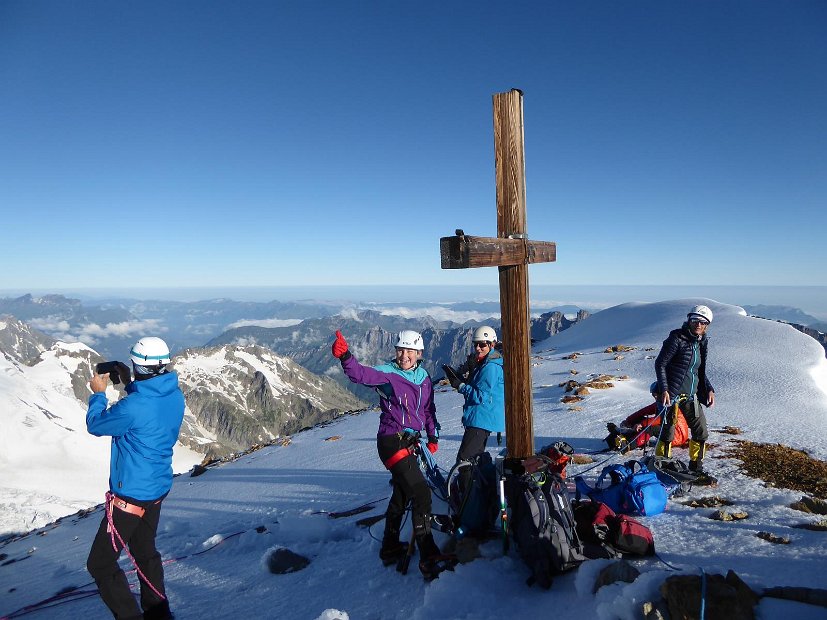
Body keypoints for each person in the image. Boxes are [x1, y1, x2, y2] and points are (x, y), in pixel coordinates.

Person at [331, 329, 450, 580]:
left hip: (411, 442)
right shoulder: (388, 374)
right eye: (400, 349)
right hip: (392, 441)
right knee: (420, 492)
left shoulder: (424, 377)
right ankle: (428, 553)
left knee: (402, 494)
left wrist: (433, 436)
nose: (404, 355)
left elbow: (428, 409)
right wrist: (346, 357)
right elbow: (360, 374)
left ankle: (390, 546)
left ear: (419, 354)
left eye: (409, 351)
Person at [85, 337, 184, 620]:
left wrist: (98, 394)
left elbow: (97, 424)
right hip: (156, 489)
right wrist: (130, 383)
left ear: (136, 364)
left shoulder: (133, 406)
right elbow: (148, 406)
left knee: (101, 564)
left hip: (130, 495)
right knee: (145, 551)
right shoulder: (175, 394)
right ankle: (158, 613)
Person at [654, 305, 716, 479]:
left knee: (700, 431)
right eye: (695, 320)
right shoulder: (677, 338)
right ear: (689, 320)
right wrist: (664, 389)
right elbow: (661, 364)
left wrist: (709, 389)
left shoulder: (701, 341)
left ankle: (696, 467)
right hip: (671, 395)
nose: (698, 325)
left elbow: (697, 370)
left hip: (691, 395)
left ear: (707, 325)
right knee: (667, 432)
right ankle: (663, 465)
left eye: (703, 322)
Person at [442, 325, 505, 463]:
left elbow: (480, 396)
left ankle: (467, 485)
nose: (478, 348)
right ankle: (475, 484)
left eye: (482, 345)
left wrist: (461, 385)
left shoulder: (490, 367)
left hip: (481, 419)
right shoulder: (486, 364)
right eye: (476, 344)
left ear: (492, 345)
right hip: (482, 419)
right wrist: (464, 380)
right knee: (474, 459)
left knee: (465, 460)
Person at [605, 382, 690, 452]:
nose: (655, 397)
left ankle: (628, 445)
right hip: (669, 431)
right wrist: (628, 421)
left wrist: (641, 424)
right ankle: (624, 435)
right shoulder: (659, 403)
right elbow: (643, 412)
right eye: (653, 395)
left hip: (677, 436)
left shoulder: (669, 404)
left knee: (650, 428)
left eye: (656, 394)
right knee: (641, 420)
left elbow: (660, 419)